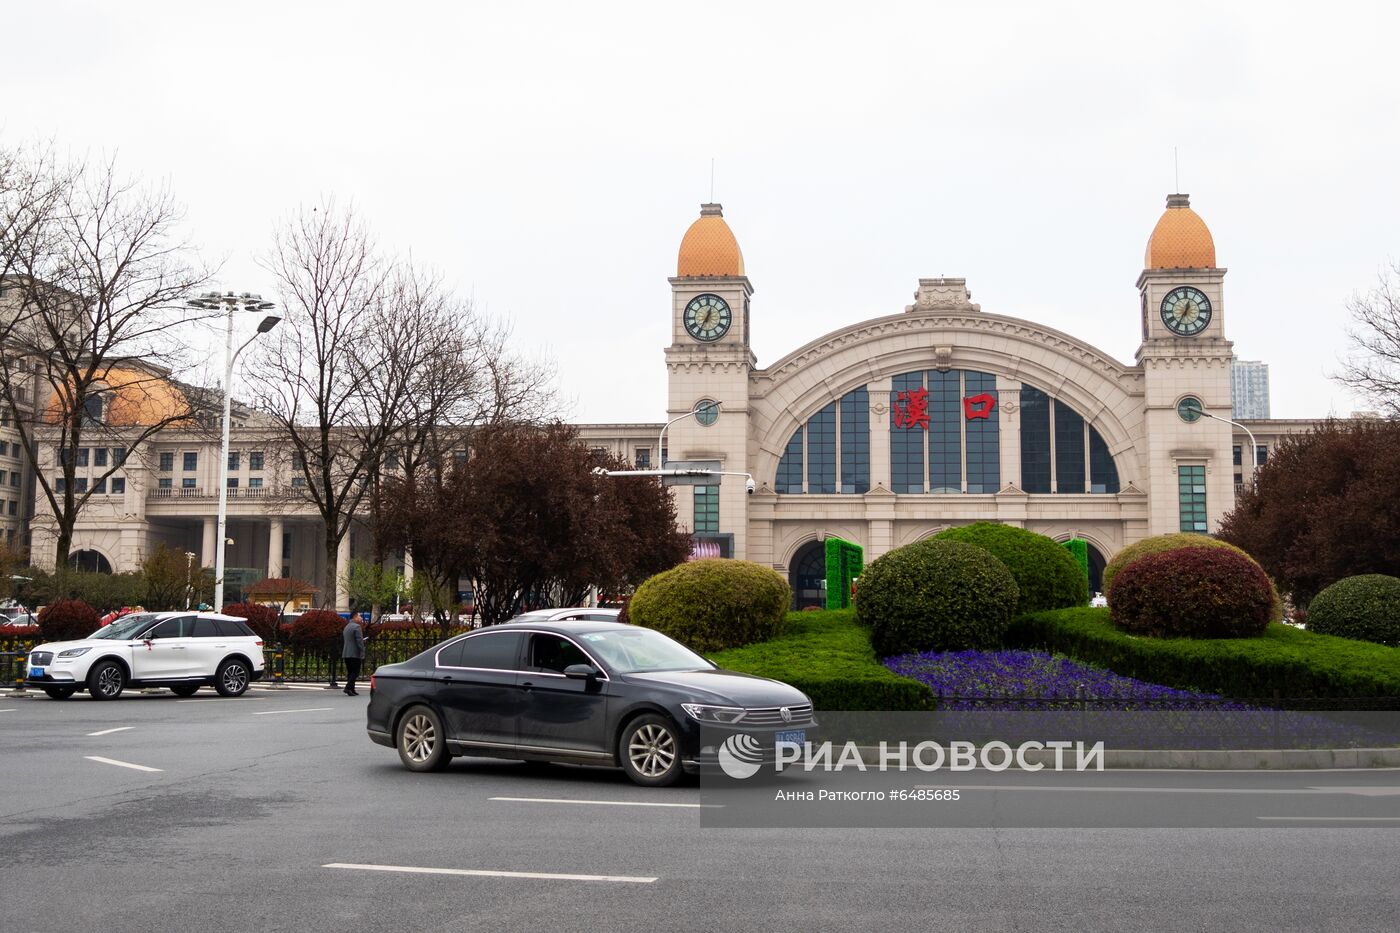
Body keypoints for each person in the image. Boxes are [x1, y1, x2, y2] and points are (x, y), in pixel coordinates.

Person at [342, 612, 366, 696]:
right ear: (355, 617)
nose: (361, 618)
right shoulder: (357, 627)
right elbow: (359, 641)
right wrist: (362, 651)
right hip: (354, 653)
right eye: (360, 616)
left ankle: (352, 689)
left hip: (346, 652)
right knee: (355, 672)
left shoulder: (347, 626)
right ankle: (348, 688)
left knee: (350, 672)